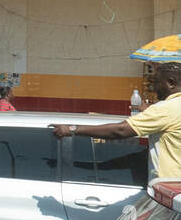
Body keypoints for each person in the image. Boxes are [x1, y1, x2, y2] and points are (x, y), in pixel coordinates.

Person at [53, 62, 181, 179]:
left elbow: (120, 130)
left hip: (170, 188)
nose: (153, 88)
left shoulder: (165, 110)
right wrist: (151, 111)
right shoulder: (172, 109)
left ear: (171, 82)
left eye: (157, 83)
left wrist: (72, 129)